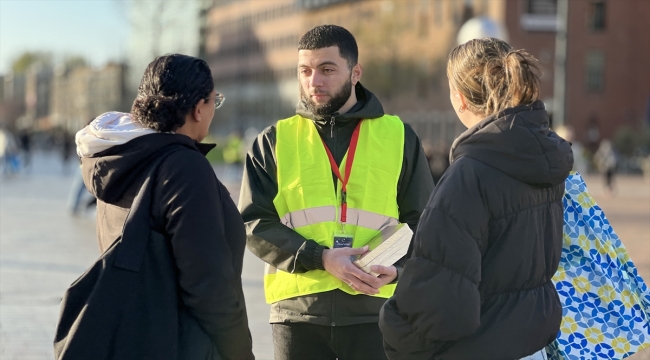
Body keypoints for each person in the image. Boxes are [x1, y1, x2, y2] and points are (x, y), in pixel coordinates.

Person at [238, 25, 434, 360]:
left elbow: (423, 222)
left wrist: (398, 269)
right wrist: (322, 258)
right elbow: (254, 222)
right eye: (305, 71)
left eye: (327, 69)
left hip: (376, 312)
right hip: (297, 315)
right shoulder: (273, 141)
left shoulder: (399, 136)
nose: (314, 82)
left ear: (355, 72)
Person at [379, 38, 574, 359]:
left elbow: (441, 306)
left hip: (481, 345)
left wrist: (393, 326)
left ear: (459, 99)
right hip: (533, 342)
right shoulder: (544, 157)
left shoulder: (469, 175)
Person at [75, 54, 254, 360]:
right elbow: (208, 285)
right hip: (183, 345)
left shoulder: (121, 156)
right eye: (214, 101)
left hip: (135, 339)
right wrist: (240, 352)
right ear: (199, 108)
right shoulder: (183, 167)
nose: (213, 110)